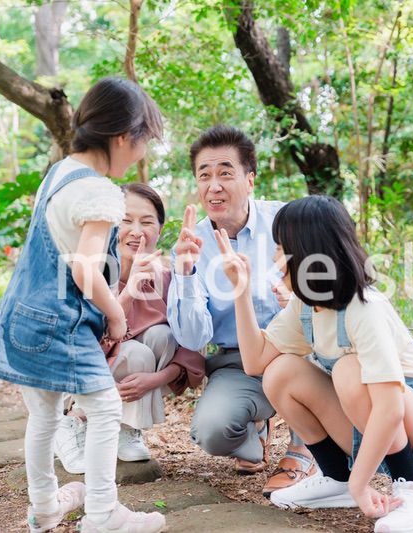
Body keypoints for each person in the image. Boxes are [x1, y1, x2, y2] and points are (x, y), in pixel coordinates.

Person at [214, 195, 413, 533]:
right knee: (280, 373)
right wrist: (240, 290)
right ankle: (336, 478)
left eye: (281, 247)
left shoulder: (364, 307)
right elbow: (256, 361)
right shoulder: (305, 306)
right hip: (375, 422)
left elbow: (389, 407)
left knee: (347, 370)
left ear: (306, 253)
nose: (274, 258)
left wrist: (365, 484)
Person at [0, 77, 166, 533]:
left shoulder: (61, 173)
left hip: (19, 317)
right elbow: (87, 270)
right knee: (106, 408)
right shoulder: (103, 191)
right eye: (145, 141)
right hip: (58, 324)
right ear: (125, 137)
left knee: (44, 414)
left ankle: (45, 506)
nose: (142, 153)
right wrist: (117, 312)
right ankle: (104, 514)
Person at [167, 125, 317, 496]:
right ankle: (256, 434)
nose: (213, 185)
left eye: (225, 173)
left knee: (315, 341)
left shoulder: (285, 221)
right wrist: (185, 272)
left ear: (250, 180)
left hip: (298, 351)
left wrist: (296, 300)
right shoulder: (191, 245)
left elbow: (326, 289)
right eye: (204, 175)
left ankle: (304, 448)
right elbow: (193, 338)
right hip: (237, 364)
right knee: (212, 431)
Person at [54, 183, 205, 473]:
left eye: (147, 222)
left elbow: (192, 347)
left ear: (159, 231)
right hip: (79, 375)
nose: (137, 231)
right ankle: (73, 420)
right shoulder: (87, 271)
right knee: (135, 352)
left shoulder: (167, 278)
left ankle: (127, 427)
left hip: (131, 372)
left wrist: (157, 378)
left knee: (161, 336)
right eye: (126, 220)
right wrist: (129, 291)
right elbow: (78, 345)